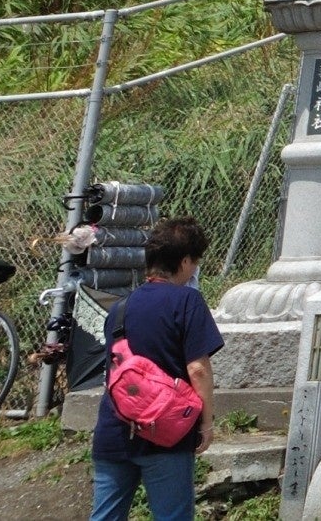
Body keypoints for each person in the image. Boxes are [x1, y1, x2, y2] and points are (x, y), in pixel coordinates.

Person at [90, 216, 221, 521]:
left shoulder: (119, 309)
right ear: (185, 261)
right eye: (195, 261)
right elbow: (198, 370)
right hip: (167, 434)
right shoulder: (188, 301)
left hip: (114, 429)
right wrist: (206, 424)